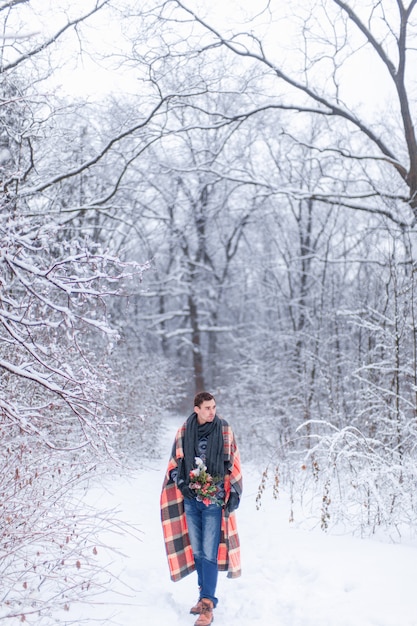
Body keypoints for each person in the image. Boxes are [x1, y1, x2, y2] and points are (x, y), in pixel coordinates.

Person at [160, 391, 242, 626]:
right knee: (197, 550)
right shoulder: (185, 431)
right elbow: (174, 463)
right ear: (196, 409)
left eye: (213, 407)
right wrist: (182, 483)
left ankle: (208, 604)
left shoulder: (224, 429)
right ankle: (203, 595)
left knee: (209, 550)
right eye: (207, 407)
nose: (211, 411)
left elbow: (234, 460)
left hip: (214, 499)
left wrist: (235, 492)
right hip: (191, 499)